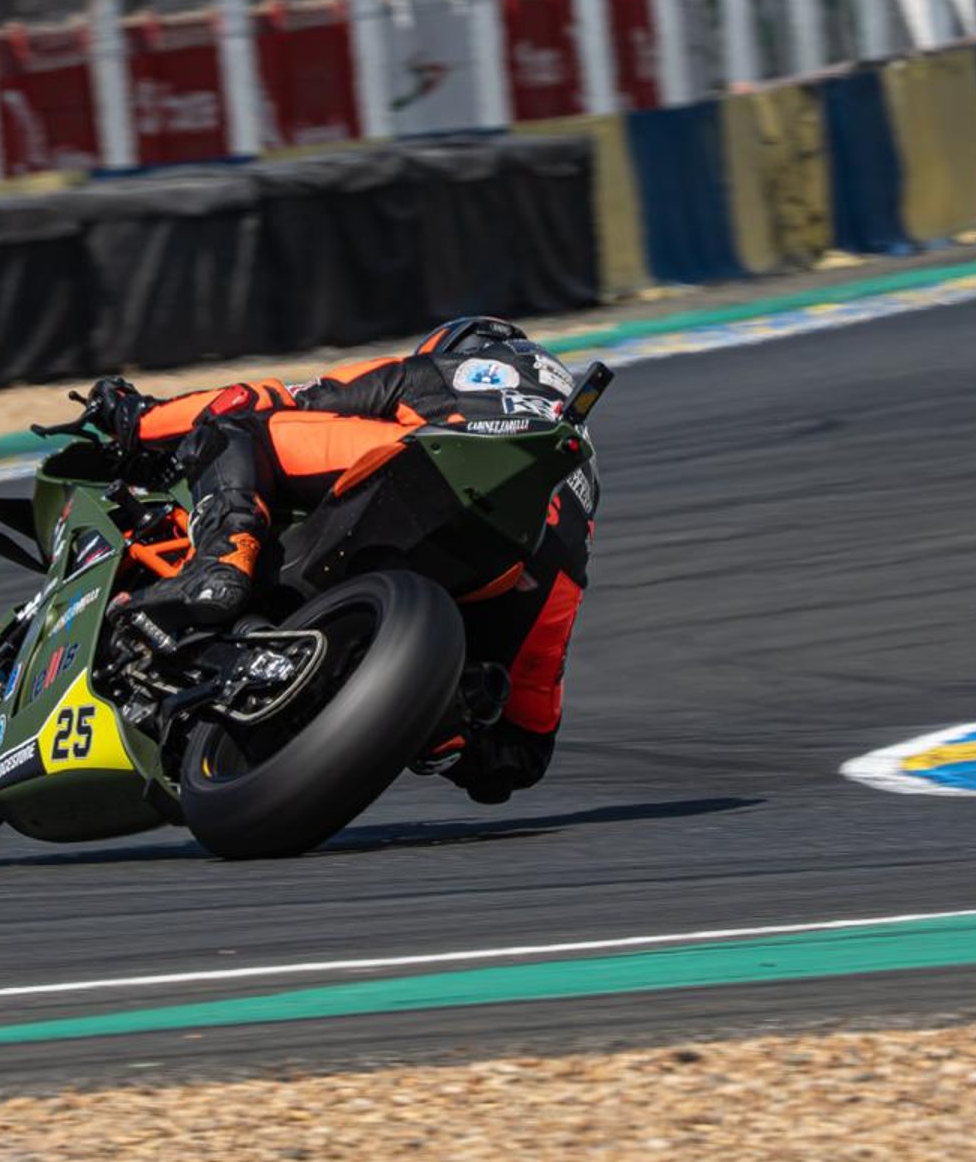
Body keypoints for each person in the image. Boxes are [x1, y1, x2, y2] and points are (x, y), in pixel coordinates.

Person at [87, 316, 600, 805]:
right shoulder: (575, 507)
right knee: (514, 732)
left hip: (430, 464)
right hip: (527, 561)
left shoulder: (439, 372)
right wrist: (456, 735)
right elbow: (523, 755)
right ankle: (448, 715)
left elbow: (282, 397)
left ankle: (223, 559)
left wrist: (136, 418)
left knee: (236, 423)